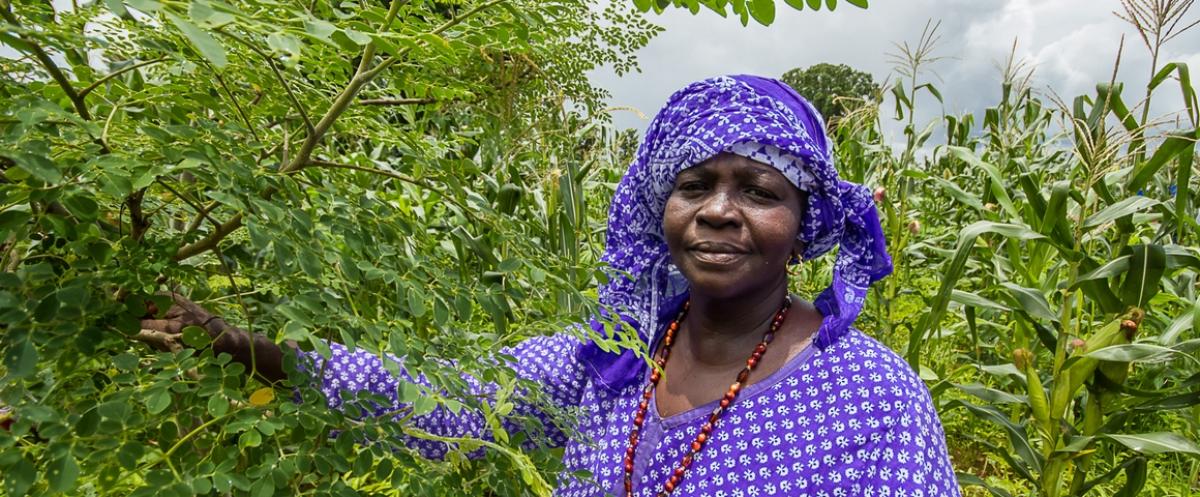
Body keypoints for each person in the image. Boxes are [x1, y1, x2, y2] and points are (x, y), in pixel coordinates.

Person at [143, 75, 960, 496]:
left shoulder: (870, 398)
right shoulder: (609, 363)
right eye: (695, 184)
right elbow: (420, 395)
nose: (718, 211)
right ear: (658, 207)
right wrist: (236, 341)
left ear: (804, 219)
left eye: (758, 190)